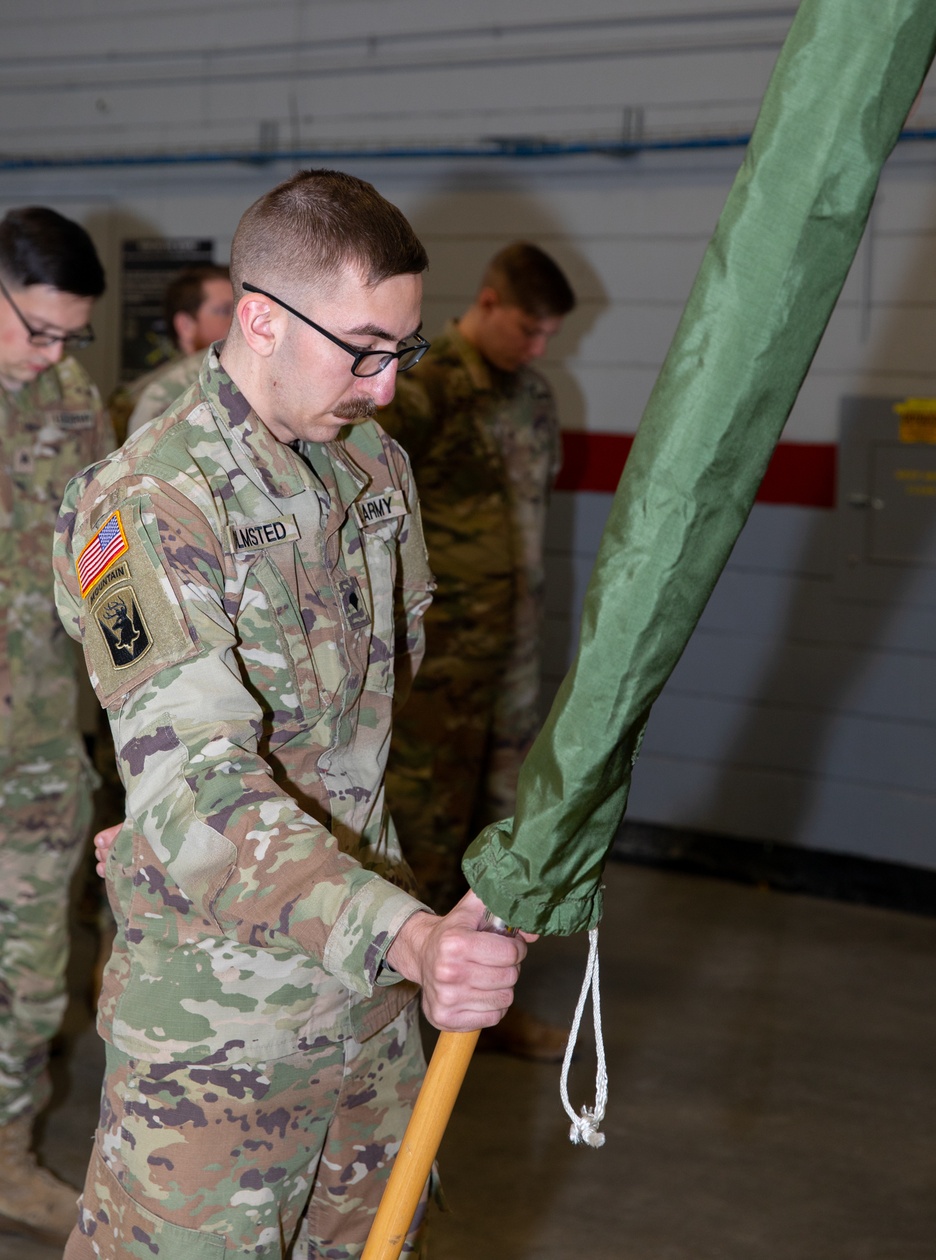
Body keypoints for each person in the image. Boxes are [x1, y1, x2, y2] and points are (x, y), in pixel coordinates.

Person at [54, 170, 534, 1260]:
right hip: (220, 1041)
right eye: (363, 349)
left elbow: (364, 722)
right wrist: (403, 933)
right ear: (261, 318)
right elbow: (202, 784)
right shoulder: (153, 500)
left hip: (364, 1025)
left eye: (401, 352)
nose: (384, 386)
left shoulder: (373, 468)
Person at [379, 242, 574, 1061]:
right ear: (488, 303)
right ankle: (397, 1022)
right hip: (437, 664)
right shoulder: (423, 387)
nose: (537, 348)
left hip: (511, 654)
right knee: (422, 827)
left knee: (501, 828)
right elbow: (364, 498)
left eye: (548, 335)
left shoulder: (531, 396)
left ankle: (482, 1017)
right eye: (527, 329)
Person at [0, 207, 113, 1247]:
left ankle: (7, 1158)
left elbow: (109, 570)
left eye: (69, 336)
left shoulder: (76, 404)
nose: (51, 356)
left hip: (35, 750)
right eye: (35, 328)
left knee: (33, 977)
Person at [108, 264, 233, 441]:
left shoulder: (233, 380)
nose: (238, 320)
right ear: (186, 326)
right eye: (225, 311)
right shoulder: (160, 396)